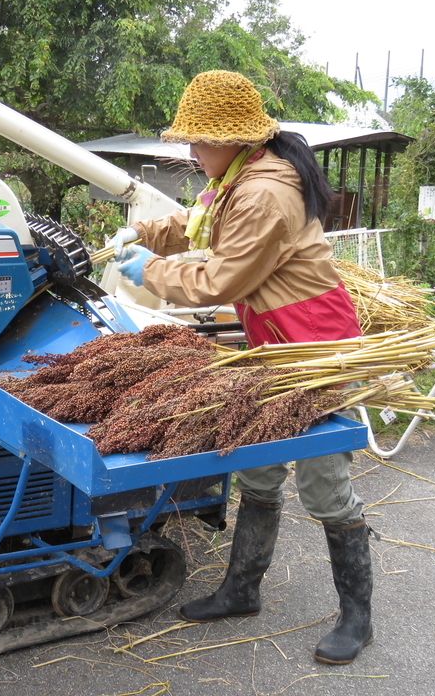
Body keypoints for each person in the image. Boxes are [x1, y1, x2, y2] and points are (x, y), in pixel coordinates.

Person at [111, 70, 373, 665]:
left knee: (324, 485)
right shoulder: (237, 178)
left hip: (315, 348)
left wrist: (151, 272)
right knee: (257, 469)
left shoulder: (263, 193)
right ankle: (241, 590)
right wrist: (144, 232)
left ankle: (357, 616)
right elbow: (196, 223)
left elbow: (221, 280)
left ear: (231, 139)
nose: (191, 152)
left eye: (197, 141)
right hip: (271, 345)